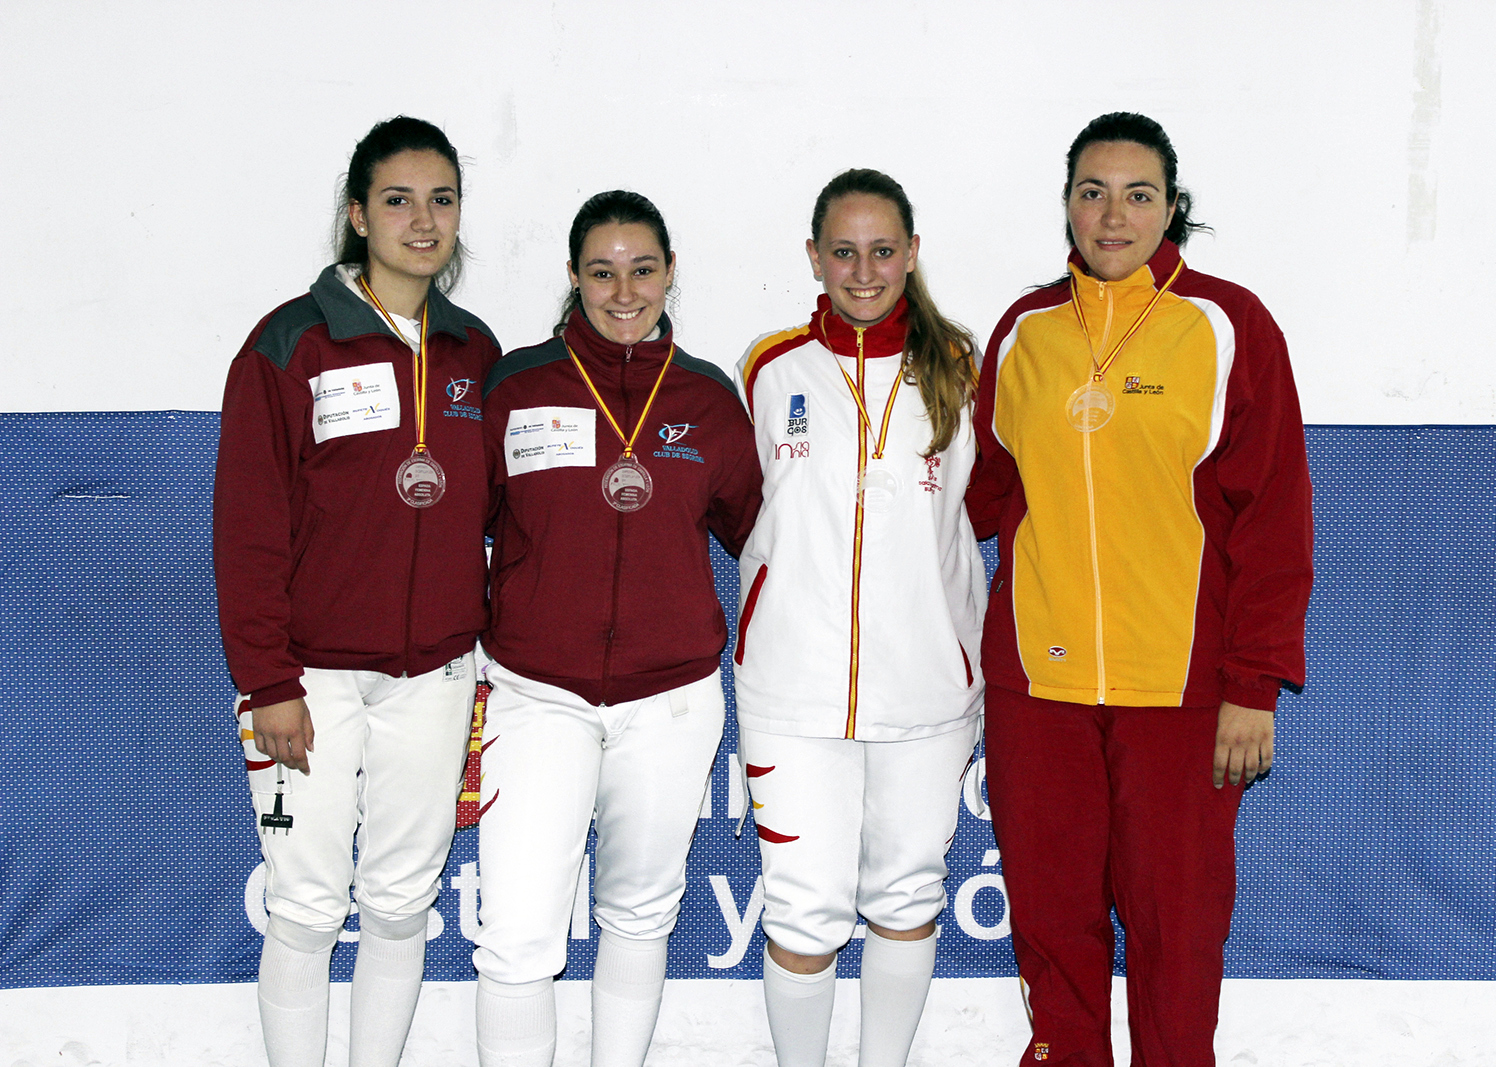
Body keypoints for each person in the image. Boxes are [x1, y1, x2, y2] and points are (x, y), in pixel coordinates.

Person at [965, 112, 1315, 1067]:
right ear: (1067, 205)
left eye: (1137, 194)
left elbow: (1274, 519)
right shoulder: (1024, 332)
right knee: (1053, 922)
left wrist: (1253, 684)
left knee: (1177, 929)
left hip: (1183, 690)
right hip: (1039, 686)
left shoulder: (1228, 325)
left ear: (1171, 207)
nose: (1113, 215)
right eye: (1093, 192)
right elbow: (981, 495)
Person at [214, 116, 499, 1067]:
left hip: (435, 676)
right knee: (304, 906)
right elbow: (248, 529)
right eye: (398, 200)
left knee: (400, 902)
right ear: (358, 213)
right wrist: (268, 680)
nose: (423, 220)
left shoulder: (474, 350)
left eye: (442, 199)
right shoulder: (290, 342)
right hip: (310, 681)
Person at [472, 190, 764, 1067]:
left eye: (643, 270)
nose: (624, 291)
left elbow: (757, 536)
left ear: (671, 273)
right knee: (518, 932)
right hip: (537, 694)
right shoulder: (517, 387)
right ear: (573, 275)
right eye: (602, 272)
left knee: (639, 911)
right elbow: (462, 528)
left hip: (670, 699)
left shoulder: (708, 399)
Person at [735, 169, 986, 1067]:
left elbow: (988, 502)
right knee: (804, 908)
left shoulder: (960, 367)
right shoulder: (770, 368)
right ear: (814, 256)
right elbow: (745, 507)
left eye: (883, 250)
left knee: (908, 895)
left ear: (912, 253)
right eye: (844, 251)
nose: (865, 270)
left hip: (927, 687)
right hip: (792, 690)